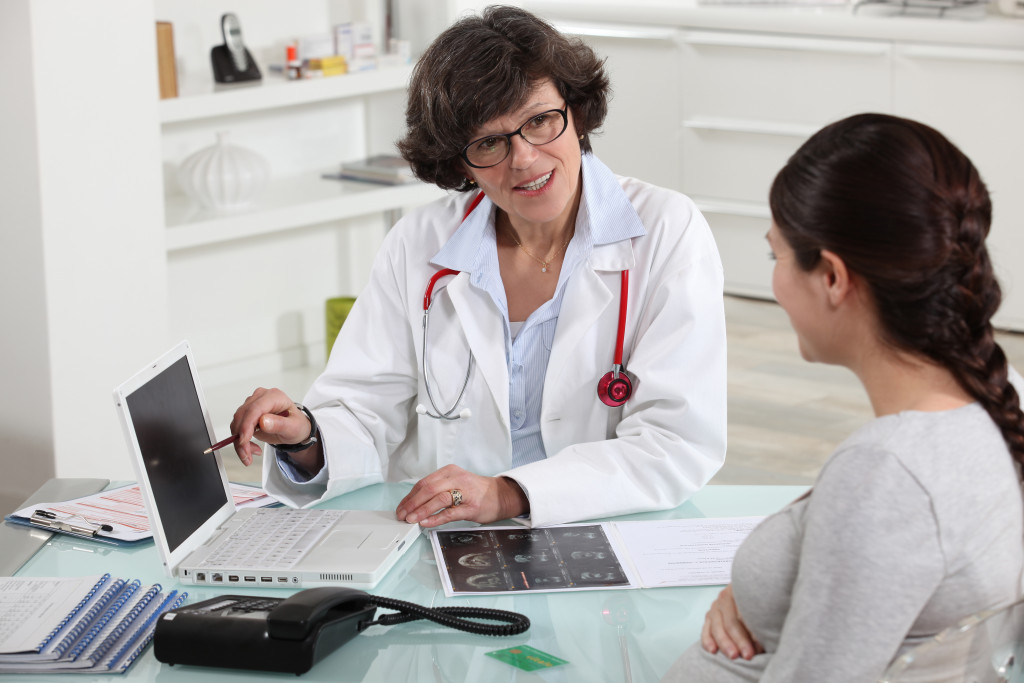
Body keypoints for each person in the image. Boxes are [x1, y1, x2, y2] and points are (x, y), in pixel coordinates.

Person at [228, 5, 727, 528]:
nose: (525, 159)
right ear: (457, 161)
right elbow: (365, 413)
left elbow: (675, 442)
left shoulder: (667, 229)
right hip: (451, 538)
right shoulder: (419, 243)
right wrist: (307, 436)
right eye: (489, 142)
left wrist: (509, 494)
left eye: (539, 121)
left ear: (576, 111)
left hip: (610, 530)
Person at [663, 113, 1024, 682]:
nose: (777, 281)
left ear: (832, 276)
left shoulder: (886, 475)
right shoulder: (997, 404)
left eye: (775, 256)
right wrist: (770, 589)